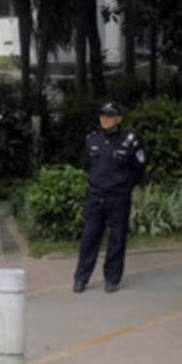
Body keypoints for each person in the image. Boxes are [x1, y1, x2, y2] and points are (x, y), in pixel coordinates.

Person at [73, 102, 146, 294]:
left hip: (118, 198)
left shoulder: (129, 141)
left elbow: (138, 169)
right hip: (96, 197)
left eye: (110, 116)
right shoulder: (92, 139)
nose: (105, 119)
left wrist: (123, 187)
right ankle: (81, 278)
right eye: (102, 115)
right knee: (89, 238)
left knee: (117, 239)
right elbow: (85, 164)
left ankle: (112, 278)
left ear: (119, 119)